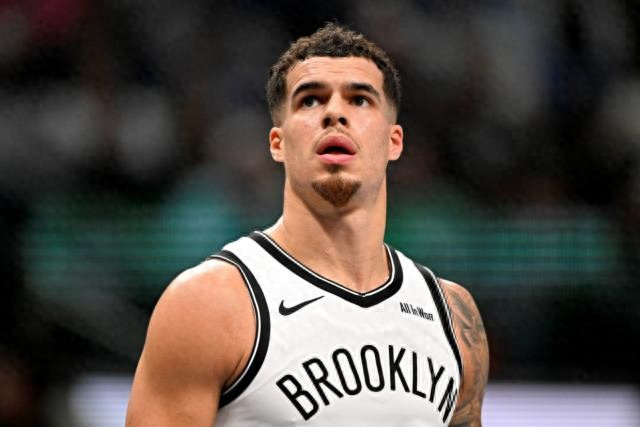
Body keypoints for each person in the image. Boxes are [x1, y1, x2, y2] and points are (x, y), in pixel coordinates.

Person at [126, 23, 489, 426]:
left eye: (360, 99)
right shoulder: (209, 303)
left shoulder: (452, 316)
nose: (334, 113)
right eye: (311, 100)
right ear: (277, 143)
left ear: (394, 141)